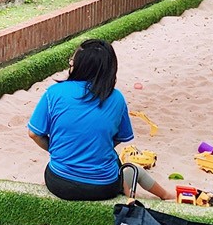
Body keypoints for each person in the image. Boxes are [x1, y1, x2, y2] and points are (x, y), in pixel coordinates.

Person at [27, 39, 175, 202]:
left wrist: (59, 149)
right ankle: (166, 195)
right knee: (132, 170)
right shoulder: (117, 98)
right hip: (103, 187)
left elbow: (34, 134)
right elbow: (119, 137)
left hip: (59, 183)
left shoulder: (53, 93)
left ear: (79, 65)